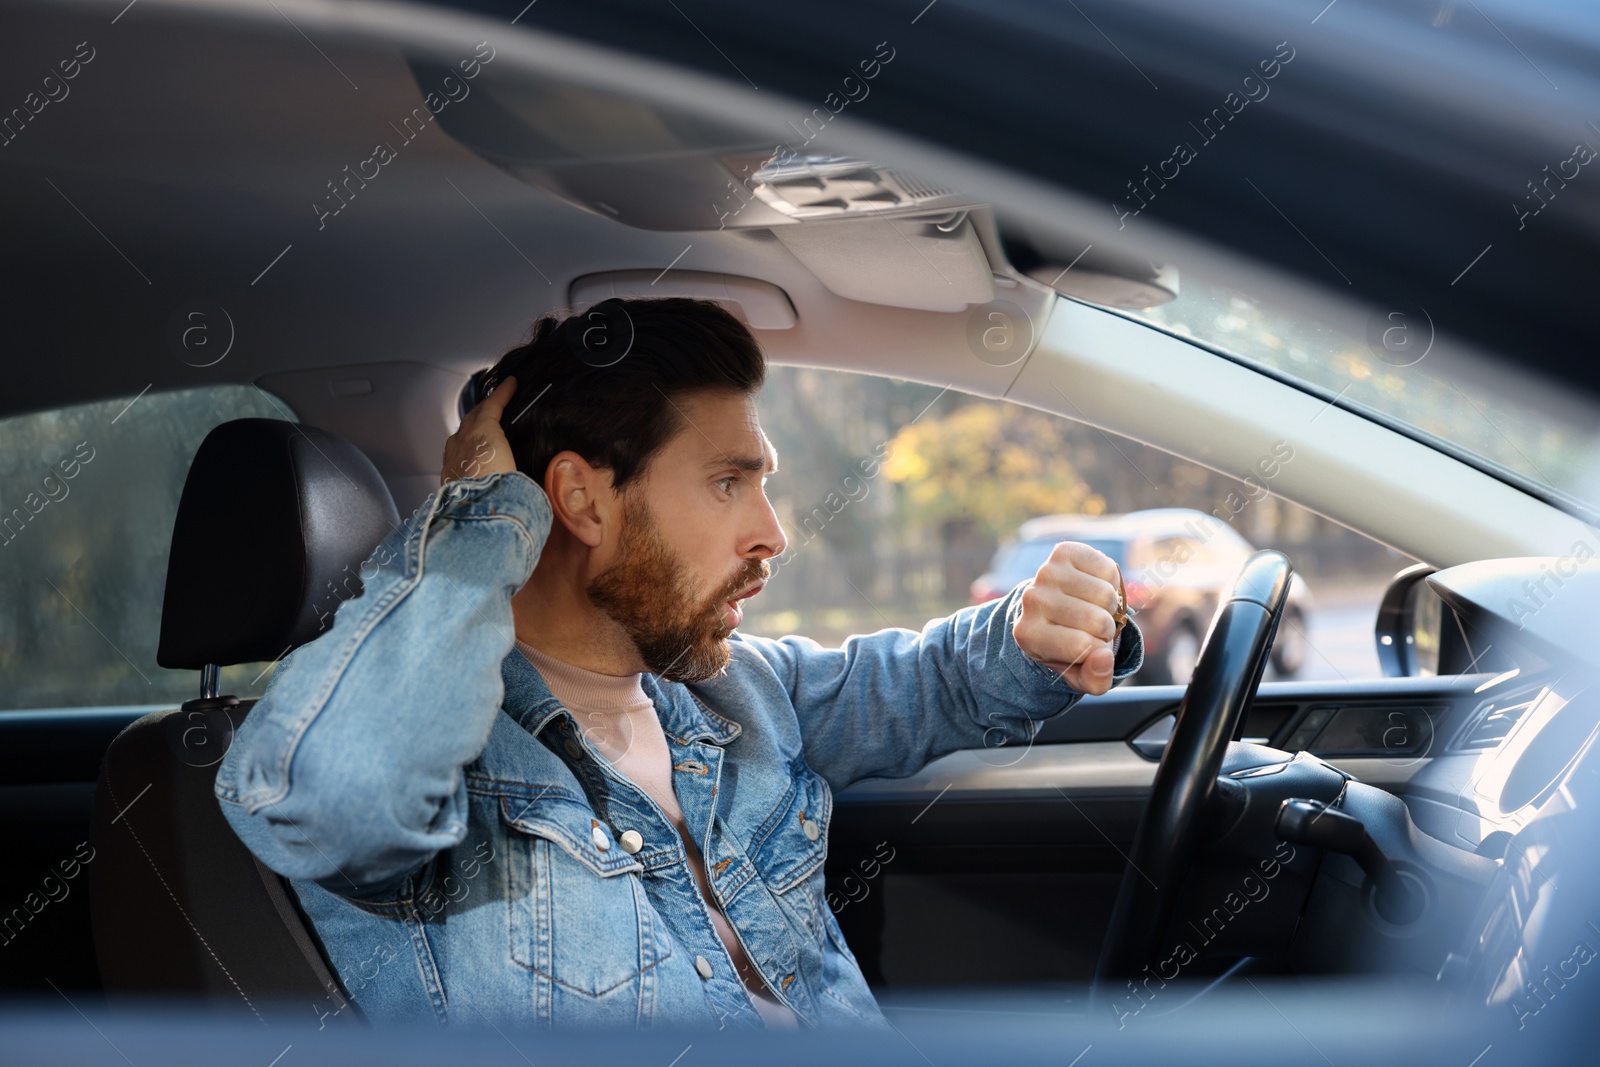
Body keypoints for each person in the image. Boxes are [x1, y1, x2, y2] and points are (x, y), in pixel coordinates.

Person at [214, 296, 1143, 1030]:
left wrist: (1036, 626)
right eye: (728, 481)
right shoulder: (440, 769)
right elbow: (333, 801)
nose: (774, 534)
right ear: (579, 498)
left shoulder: (738, 690)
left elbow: (929, 680)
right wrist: (481, 523)